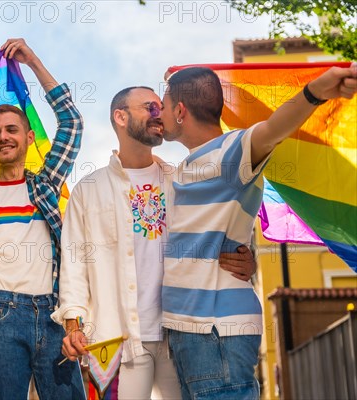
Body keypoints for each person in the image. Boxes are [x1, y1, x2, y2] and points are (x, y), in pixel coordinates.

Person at [159, 63, 357, 399]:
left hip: (215, 331)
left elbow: (274, 128)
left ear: (180, 111)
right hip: (189, 329)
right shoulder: (182, 169)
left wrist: (316, 91)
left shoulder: (231, 152)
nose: (158, 113)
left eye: (162, 106)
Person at [54, 86, 257, 399]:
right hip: (114, 339)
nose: (158, 115)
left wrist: (245, 258)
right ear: (120, 117)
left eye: (160, 107)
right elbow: (73, 266)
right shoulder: (88, 190)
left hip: (183, 335)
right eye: (148, 107)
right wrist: (73, 326)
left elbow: (212, 235)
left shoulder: (182, 181)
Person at [0, 38, 85, 400]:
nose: (3, 137)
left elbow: (71, 123)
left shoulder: (45, 185)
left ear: (26, 137)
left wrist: (33, 61)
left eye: (11, 130)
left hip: (53, 314)